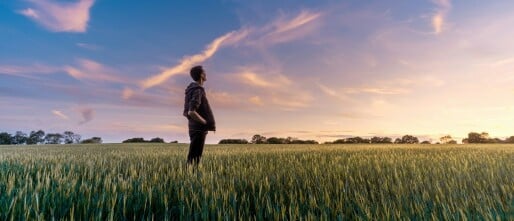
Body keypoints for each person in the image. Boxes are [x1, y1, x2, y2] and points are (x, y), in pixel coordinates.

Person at [183, 65, 216, 167]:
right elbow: (191, 111)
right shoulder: (198, 90)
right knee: (195, 158)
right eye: (204, 72)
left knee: (193, 156)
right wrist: (205, 122)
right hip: (198, 128)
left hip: (193, 127)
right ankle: (190, 178)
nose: (206, 74)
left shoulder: (191, 90)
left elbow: (187, 111)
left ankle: (189, 176)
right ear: (201, 75)